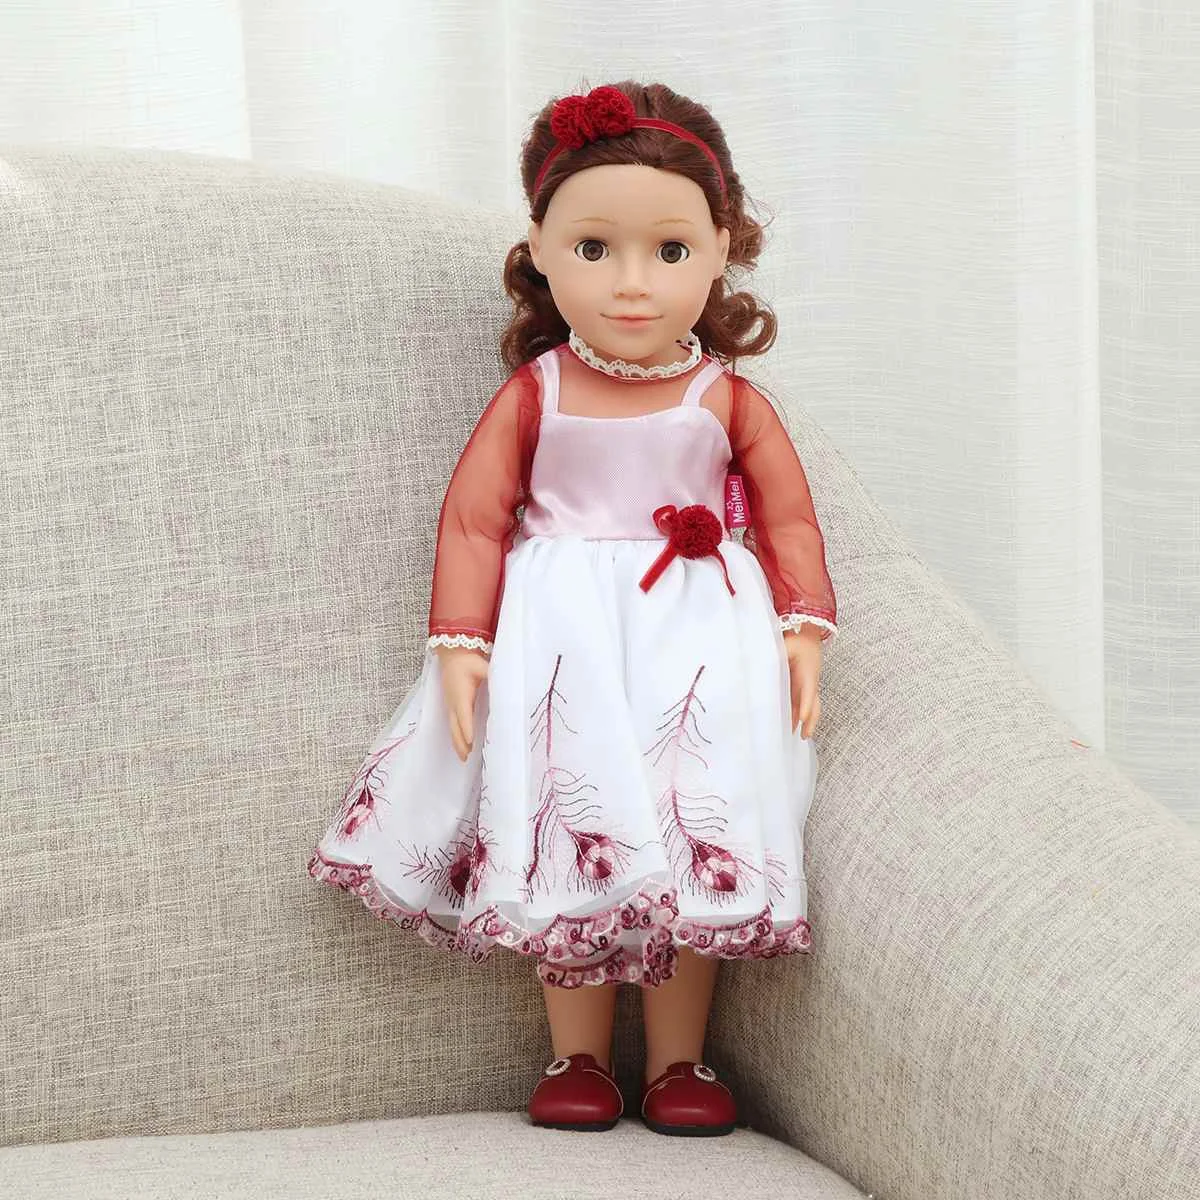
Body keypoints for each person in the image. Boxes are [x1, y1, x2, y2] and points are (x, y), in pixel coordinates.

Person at [308, 79, 838, 1137]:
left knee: (693, 833)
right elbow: (474, 523)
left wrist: (802, 628)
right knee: (574, 827)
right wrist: (462, 645)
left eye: (670, 250)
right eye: (594, 248)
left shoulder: (727, 398)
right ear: (542, 252)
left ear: (723, 248)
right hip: (563, 644)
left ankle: (680, 1063)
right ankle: (578, 1054)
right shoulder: (537, 391)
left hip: (697, 644)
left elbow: (787, 518)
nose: (632, 283)